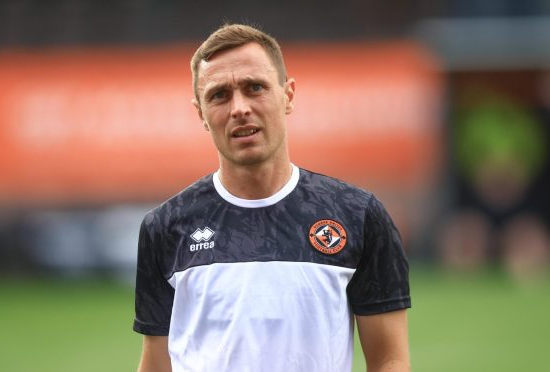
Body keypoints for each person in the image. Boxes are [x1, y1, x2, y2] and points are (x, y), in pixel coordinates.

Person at [133, 23, 411, 372]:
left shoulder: (358, 215)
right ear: (200, 114)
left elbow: (390, 359)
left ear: (288, 95)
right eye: (219, 95)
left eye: (255, 88)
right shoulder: (166, 226)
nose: (239, 108)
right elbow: (157, 363)